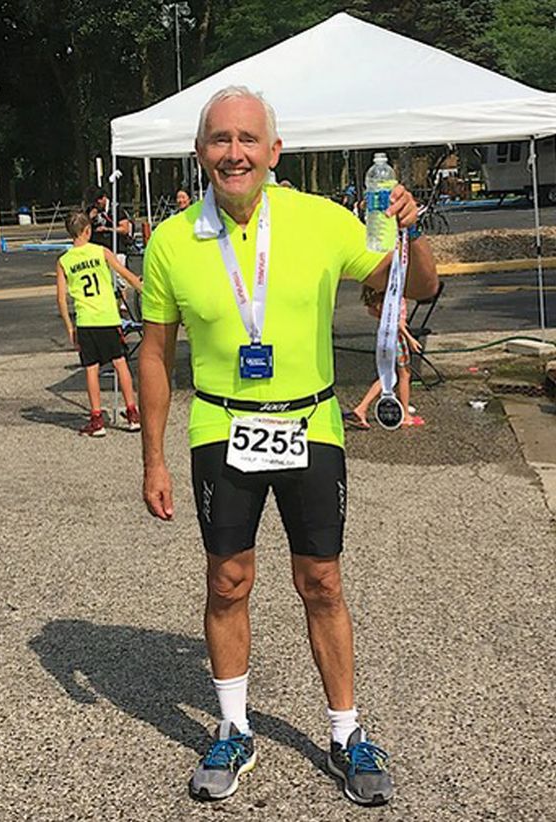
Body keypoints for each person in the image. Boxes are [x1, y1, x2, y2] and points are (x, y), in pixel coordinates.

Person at [139, 86, 438, 806]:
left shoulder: (322, 219)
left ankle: (346, 733)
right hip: (222, 427)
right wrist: (152, 458)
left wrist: (411, 232)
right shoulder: (171, 241)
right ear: (201, 152)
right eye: (220, 139)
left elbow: (415, 286)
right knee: (227, 581)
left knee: (323, 582)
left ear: (274, 151)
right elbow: (153, 353)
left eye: (248, 139)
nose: (234, 152)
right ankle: (234, 727)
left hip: (311, 423)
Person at [56, 209, 143, 437]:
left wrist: (70, 328)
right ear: (88, 230)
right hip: (107, 317)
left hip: (86, 320)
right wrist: (144, 289)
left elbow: (61, 299)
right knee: (120, 363)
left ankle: (96, 418)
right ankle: (132, 413)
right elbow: (125, 273)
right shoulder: (101, 251)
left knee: (91, 368)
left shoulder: (64, 261)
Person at [348, 286, 425, 429]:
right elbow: (397, 321)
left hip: (385, 336)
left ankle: (361, 408)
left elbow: (372, 311)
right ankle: (405, 415)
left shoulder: (383, 296)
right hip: (397, 338)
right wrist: (410, 339)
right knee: (404, 374)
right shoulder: (395, 295)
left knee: (388, 374)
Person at [83, 186, 134, 252]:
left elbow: (125, 229)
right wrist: (89, 218)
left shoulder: (116, 209)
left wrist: (107, 229)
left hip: (116, 247)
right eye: (94, 203)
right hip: (96, 247)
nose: (96, 205)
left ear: (104, 198)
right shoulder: (91, 209)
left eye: (98, 203)